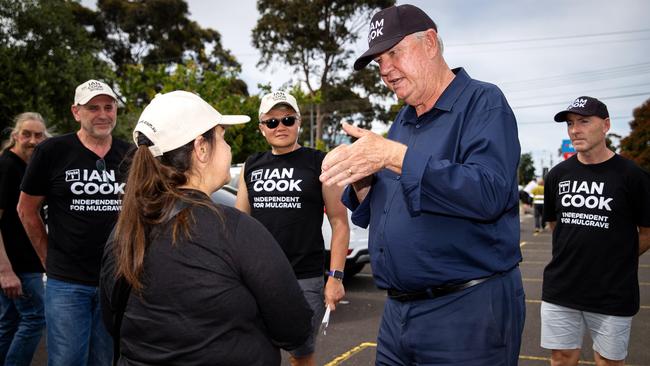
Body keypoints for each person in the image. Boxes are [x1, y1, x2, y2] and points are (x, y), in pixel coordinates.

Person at [319, 4, 525, 365]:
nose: (385, 70)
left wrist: (392, 156)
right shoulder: (403, 120)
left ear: (430, 43)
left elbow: (490, 193)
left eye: (393, 53)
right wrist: (363, 178)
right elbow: (389, 204)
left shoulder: (483, 103)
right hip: (398, 314)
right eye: (379, 62)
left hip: (465, 315)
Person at [100, 90, 312, 365]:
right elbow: (294, 327)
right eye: (222, 137)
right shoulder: (235, 230)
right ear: (201, 148)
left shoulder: (123, 231)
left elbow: (112, 320)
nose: (228, 147)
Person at [17, 79, 130, 366]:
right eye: (93, 108)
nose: (103, 114)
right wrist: (47, 258)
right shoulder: (52, 151)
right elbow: (26, 210)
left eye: (109, 106)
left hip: (114, 281)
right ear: (76, 112)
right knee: (67, 360)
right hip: (67, 283)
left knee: (105, 360)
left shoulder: (131, 155)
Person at [235, 90, 349, 366]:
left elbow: (339, 222)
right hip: (257, 278)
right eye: (271, 122)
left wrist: (336, 277)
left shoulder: (319, 162)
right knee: (257, 352)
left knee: (301, 355)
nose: (280, 127)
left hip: (304, 278)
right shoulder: (251, 165)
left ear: (299, 122)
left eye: (287, 119)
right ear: (262, 129)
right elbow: (239, 224)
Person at [541, 96, 650, 366]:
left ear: (606, 125)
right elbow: (557, 226)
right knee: (562, 358)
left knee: (608, 361)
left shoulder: (632, 175)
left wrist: (618, 257)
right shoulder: (557, 175)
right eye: (570, 123)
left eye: (584, 121)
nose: (575, 129)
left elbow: (647, 231)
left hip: (612, 290)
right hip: (562, 287)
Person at [0, 113, 47, 366]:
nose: (32, 140)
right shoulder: (8, 166)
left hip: (21, 265)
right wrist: (5, 270)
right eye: (26, 134)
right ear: (15, 136)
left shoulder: (26, 167)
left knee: (9, 323)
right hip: (17, 266)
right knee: (35, 318)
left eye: (38, 135)